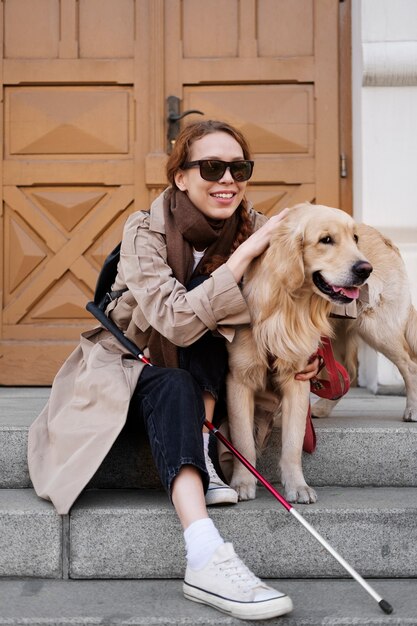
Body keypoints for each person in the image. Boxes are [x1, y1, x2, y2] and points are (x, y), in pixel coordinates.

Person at [28, 120, 320, 621]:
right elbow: (176, 321)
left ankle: (204, 465)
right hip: (130, 373)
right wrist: (247, 255)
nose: (228, 178)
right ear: (180, 177)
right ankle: (206, 551)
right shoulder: (145, 229)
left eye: (239, 168)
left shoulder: (265, 225)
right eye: (211, 167)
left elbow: (313, 284)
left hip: (205, 379)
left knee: (211, 343)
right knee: (189, 346)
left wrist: (306, 344)